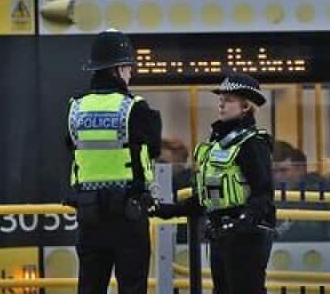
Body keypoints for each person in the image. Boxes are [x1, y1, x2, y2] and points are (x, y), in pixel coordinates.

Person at [154, 74, 275, 294]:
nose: (221, 103)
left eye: (228, 99)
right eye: (221, 98)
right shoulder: (218, 145)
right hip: (221, 235)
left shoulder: (252, 143)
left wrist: (245, 222)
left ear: (246, 106)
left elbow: (263, 193)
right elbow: (206, 199)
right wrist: (166, 210)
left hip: (245, 237)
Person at [66, 30, 162, 294]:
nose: (131, 73)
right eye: (130, 68)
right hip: (128, 215)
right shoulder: (136, 108)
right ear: (120, 69)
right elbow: (154, 149)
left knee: (90, 285)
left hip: (89, 215)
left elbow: (71, 148)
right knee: (132, 285)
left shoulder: (76, 108)